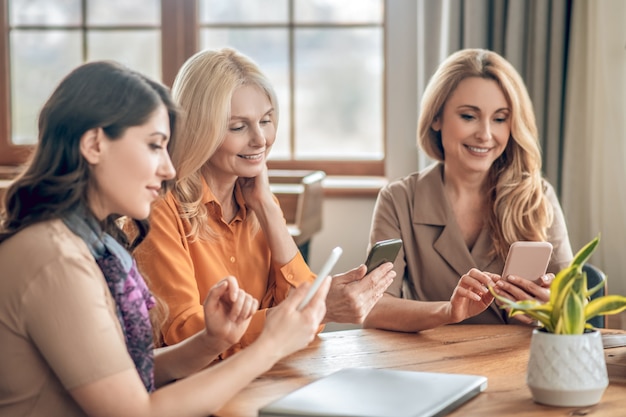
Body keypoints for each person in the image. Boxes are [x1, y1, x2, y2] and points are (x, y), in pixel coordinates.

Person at [0, 61, 330, 416]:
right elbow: (136, 412)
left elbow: (123, 374)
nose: (169, 168)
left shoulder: (88, 243)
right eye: (155, 146)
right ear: (95, 144)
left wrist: (211, 341)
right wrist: (270, 346)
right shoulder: (56, 259)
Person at [129, 48, 395, 358]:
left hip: (263, 374)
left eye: (266, 121)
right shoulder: (162, 209)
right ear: (200, 131)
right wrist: (313, 310)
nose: (260, 140)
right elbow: (184, 332)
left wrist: (268, 210)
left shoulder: (259, 203)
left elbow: (309, 322)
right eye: (238, 127)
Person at [363, 48, 573, 332]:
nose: (485, 135)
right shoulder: (399, 199)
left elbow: (573, 302)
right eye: (469, 116)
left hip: (521, 364)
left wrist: (547, 308)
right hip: (436, 364)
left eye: (499, 119)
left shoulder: (537, 196)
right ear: (436, 118)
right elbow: (374, 306)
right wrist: (448, 311)